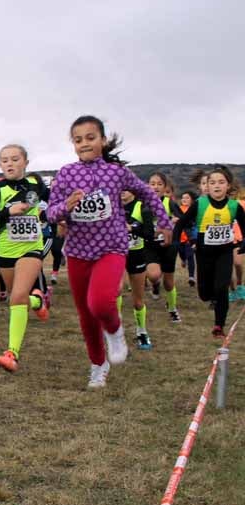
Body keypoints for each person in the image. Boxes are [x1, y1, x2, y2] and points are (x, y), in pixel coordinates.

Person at [46, 115, 173, 389]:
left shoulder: (116, 173)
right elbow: (50, 213)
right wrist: (66, 206)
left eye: (90, 138)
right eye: (78, 140)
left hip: (111, 248)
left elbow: (148, 193)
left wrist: (164, 221)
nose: (84, 144)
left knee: (101, 303)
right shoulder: (66, 173)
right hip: (79, 252)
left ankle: (115, 331)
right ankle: (97, 364)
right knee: (86, 314)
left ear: (102, 140)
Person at [0, 144, 51, 374]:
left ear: (25, 162)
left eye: (15, 159)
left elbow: (53, 206)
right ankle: (38, 301)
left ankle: (12, 353)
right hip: (5, 251)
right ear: (0, 165)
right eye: (5, 160)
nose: (9, 163)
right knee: (18, 300)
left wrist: (53, 215)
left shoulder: (36, 186)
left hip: (31, 247)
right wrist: (8, 212)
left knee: (18, 296)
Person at [174, 167, 245, 338]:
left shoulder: (234, 206)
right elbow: (181, 223)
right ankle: (209, 295)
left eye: (221, 182)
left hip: (224, 252)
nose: (217, 186)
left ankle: (219, 326)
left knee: (221, 288)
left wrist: (243, 243)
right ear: (207, 186)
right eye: (212, 182)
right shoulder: (200, 204)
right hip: (204, 252)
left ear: (228, 186)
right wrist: (177, 242)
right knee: (205, 294)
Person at [144, 172, 183, 322]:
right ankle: (155, 284)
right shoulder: (142, 203)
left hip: (168, 245)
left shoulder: (169, 203)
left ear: (165, 187)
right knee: (153, 275)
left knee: (169, 282)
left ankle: (172, 308)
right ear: (148, 185)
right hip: (150, 246)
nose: (155, 187)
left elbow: (181, 219)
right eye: (152, 183)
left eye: (159, 184)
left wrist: (174, 221)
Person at [120, 190, 154, 350]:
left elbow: (149, 234)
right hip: (116, 254)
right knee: (116, 291)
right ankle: (116, 330)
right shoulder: (110, 206)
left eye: (124, 189)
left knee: (137, 299)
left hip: (137, 255)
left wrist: (132, 229)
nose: (121, 192)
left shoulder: (142, 208)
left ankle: (141, 331)